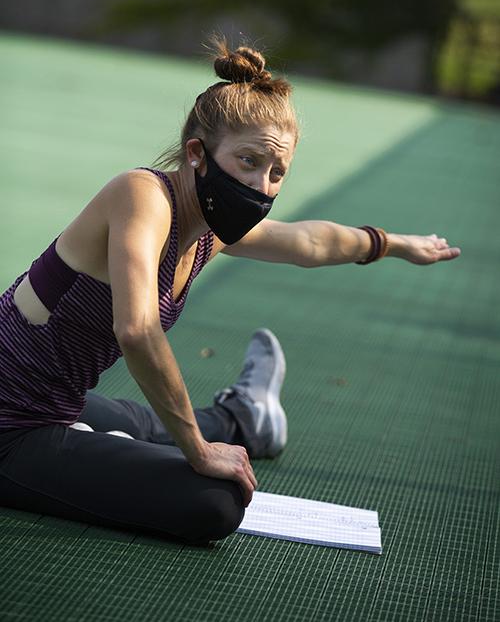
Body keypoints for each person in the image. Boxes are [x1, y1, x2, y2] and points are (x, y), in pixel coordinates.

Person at [0, 39, 460, 544]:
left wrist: (397, 244)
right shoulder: (142, 195)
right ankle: (220, 427)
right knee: (215, 503)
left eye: (277, 171)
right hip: (10, 427)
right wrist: (197, 448)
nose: (263, 184)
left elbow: (308, 241)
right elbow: (136, 330)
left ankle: (244, 416)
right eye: (248, 161)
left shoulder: (210, 228)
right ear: (197, 153)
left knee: (139, 420)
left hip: (55, 401)